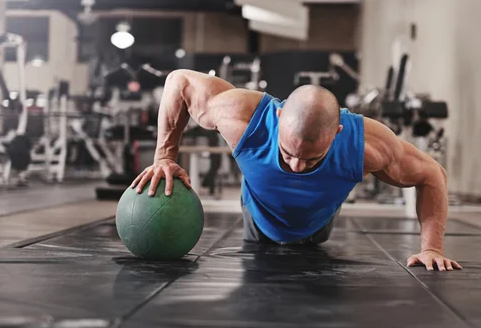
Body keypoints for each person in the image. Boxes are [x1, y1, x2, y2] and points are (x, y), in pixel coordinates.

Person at [131, 70, 461, 272]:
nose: (296, 166)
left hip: (319, 225)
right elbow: (178, 81)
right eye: (287, 153)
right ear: (277, 119)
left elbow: (432, 174)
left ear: (337, 134)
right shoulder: (240, 115)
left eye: (311, 159)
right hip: (256, 218)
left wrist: (431, 247)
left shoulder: (367, 146)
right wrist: (164, 157)